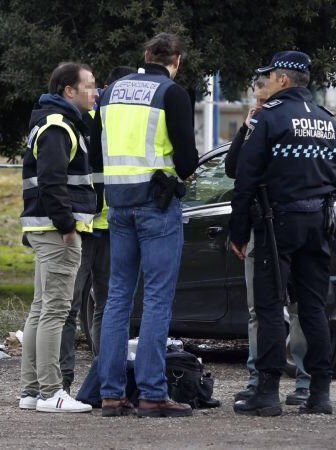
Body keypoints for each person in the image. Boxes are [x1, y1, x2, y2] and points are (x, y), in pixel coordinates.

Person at [229, 51, 336, 416]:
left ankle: (266, 394)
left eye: (269, 76)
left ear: (282, 79)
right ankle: (319, 394)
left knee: (268, 307)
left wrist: (239, 230)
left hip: (276, 222)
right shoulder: (330, 123)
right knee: (313, 308)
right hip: (319, 223)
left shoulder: (270, 118)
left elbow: (244, 177)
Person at [89, 33, 199, 418]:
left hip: (118, 207)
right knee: (156, 298)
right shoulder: (172, 94)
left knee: (117, 298)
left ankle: (111, 394)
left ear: (145, 55)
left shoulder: (111, 92)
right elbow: (186, 161)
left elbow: (95, 146)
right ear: (177, 60)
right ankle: (153, 392)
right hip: (157, 206)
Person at [226, 75, 312, 406]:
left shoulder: (288, 126)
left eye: (263, 100)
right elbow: (234, 169)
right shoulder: (256, 126)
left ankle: (303, 380)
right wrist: (245, 130)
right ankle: (256, 377)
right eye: (256, 101)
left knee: (297, 305)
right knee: (257, 309)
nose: (259, 107)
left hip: (287, 223)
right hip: (258, 227)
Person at [18, 62, 98, 413]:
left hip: (45, 227)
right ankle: (52, 392)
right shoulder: (57, 126)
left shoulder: (55, 122)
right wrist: (67, 225)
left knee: (41, 308)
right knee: (54, 310)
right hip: (56, 231)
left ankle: (32, 391)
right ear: (69, 90)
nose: (95, 92)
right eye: (90, 86)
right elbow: (52, 181)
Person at [60, 66, 138, 393]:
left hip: (111, 225)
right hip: (82, 225)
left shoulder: (125, 122)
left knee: (109, 306)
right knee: (68, 304)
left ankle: (104, 378)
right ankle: (60, 382)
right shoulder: (85, 120)